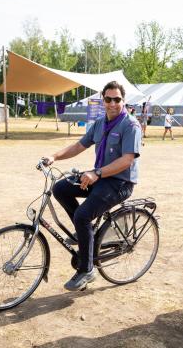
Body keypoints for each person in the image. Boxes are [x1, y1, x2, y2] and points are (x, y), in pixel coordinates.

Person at [43, 81, 142, 291]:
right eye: (109, 99)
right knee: (60, 188)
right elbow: (79, 145)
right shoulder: (99, 123)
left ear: (123, 101)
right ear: (103, 100)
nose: (113, 103)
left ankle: (87, 270)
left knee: (82, 215)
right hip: (100, 177)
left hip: (120, 182)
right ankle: (84, 234)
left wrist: (97, 173)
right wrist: (54, 156)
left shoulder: (131, 125)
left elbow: (127, 160)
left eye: (117, 99)